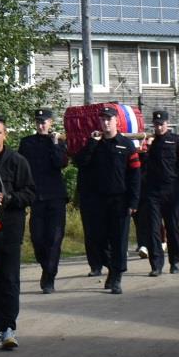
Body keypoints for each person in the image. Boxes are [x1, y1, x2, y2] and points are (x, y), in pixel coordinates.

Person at [0, 114, 35, 349]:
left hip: (10, 229)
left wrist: (10, 198)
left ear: (5, 134)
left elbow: (30, 193)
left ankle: (9, 327)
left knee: (9, 279)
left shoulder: (17, 161)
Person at [73, 106, 141, 295]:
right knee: (98, 240)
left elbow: (135, 175)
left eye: (109, 119)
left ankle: (117, 276)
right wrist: (92, 144)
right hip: (96, 201)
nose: (106, 122)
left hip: (119, 200)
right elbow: (79, 162)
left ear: (116, 121)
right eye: (103, 120)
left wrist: (134, 202)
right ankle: (110, 267)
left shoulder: (126, 145)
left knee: (118, 240)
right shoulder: (93, 143)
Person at [18, 108, 69, 293]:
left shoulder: (58, 142)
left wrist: (55, 143)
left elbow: (61, 163)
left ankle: (49, 276)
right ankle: (46, 266)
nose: (41, 125)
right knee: (38, 238)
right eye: (38, 121)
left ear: (50, 123)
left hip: (55, 196)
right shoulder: (27, 143)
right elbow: (21, 169)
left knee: (54, 238)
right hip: (36, 197)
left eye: (44, 121)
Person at [140, 110, 179, 275]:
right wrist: (145, 148)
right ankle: (156, 265)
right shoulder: (150, 142)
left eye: (161, 124)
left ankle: (175, 261)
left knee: (172, 227)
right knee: (153, 229)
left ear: (167, 123)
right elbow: (141, 165)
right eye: (156, 124)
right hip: (152, 191)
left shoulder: (177, 141)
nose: (159, 127)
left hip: (171, 189)